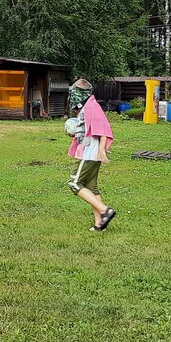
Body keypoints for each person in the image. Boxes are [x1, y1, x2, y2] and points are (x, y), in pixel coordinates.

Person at [66, 78, 115, 232]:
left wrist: (101, 150)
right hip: (89, 151)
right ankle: (100, 224)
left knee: (74, 183)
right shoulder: (86, 107)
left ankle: (105, 210)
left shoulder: (93, 106)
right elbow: (88, 130)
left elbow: (103, 130)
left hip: (89, 153)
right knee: (91, 187)